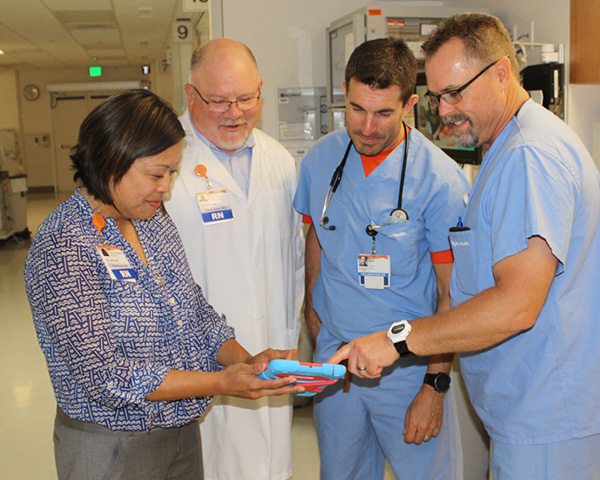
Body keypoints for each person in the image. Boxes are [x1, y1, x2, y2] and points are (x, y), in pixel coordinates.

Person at [329, 13, 600, 479]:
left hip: (547, 416)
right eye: (437, 96)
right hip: (531, 410)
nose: (445, 110)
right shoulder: (506, 147)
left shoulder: (528, 158)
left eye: (456, 93)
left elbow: (516, 304)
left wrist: (399, 340)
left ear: (500, 72)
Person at [24, 90, 303, 480]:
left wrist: (244, 360)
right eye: (157, 174)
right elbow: (106, 376)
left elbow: (195, 309)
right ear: (110, 163)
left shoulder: (152, 221)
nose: (167, 187)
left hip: (180, 431)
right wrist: (219, 383)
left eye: (173, 172)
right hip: (112, 444)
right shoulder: (65, 243)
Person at [293, 37, 470, 479]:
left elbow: (451, 293)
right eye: (356, 109)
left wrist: (434, 384)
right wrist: (315, 316)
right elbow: (318, 232)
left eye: (384, 112)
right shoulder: (321, 161)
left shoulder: (439, 181)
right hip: (336, 364)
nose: (367, 127)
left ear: (410, 103)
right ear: (344, 92)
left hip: (407, 368)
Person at [164, 39, 303, 480]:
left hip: (270, 344)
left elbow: (293, 262)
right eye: (219, 101)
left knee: (271, 463)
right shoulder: (168, 166)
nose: (235, 112)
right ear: (190, 96)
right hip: (202, 361)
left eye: (246, 98)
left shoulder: (279, 161)